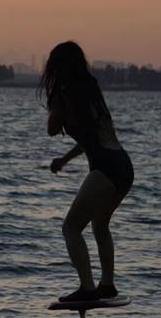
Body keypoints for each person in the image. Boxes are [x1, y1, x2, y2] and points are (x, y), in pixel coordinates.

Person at [39, 41, 134, 303]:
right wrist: (65, 160)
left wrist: (54, 104)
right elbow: (90, 138)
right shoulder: (90, 91)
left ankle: (87, 288)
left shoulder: (65, 95)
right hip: (123, 165)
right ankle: (107, 285)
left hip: (105, 167)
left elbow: (51, 129)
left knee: (70, 228)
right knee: (100, 225)